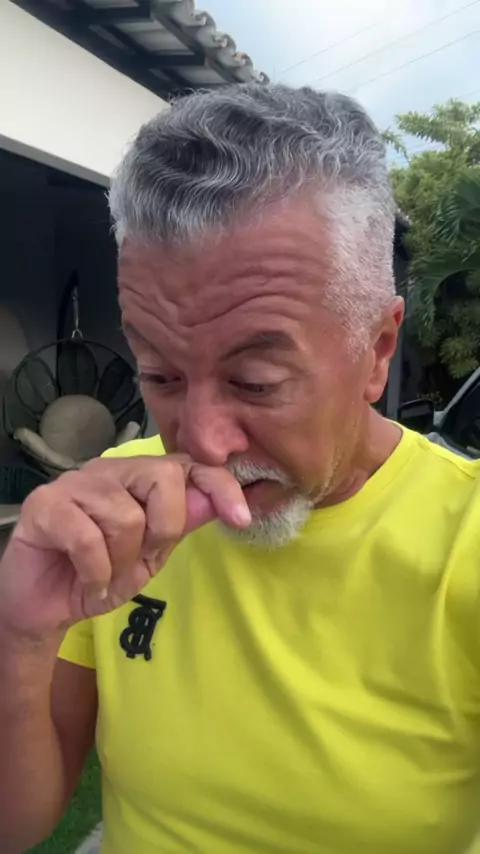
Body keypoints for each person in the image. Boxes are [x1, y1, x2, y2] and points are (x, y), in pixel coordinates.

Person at [1, 84, 480, 854]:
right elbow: (16, 824)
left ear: (378, 350)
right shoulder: (111, 514)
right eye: (160, 375)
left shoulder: (465, 545)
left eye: (256, 383)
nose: (203, 442)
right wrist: (18, 635)